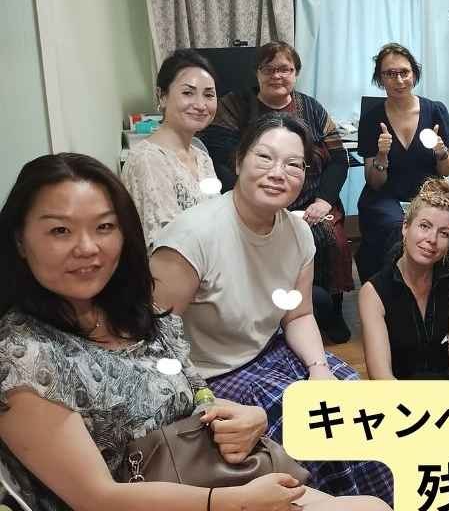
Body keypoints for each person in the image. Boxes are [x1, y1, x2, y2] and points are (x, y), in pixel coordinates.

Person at [0, 153, 389, 511]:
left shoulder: (135, 313)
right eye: (60, 231)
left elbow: (196, 389)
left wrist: (244, 418)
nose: (87, 247)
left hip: (202, 470)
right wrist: (233, 501)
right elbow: (97, 498)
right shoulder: (22, 355)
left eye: (104, 227)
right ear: (19, 239)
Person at [150, 114, 393, 504]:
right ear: (239, 161)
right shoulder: (192, 238)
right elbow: (149, 345)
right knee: (313, 433)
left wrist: (319, 369)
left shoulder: (298, 233)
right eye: (264, 157)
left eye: (293, 164)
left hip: (271, 351)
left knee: (354, 406)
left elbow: (298, 315)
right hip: (211, 378)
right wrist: (202, 401)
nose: (278, 173)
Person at [199, 40, 353, 343]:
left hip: (311, 201)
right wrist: (256, 201)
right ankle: (271, 316)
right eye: (269, 69)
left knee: (330, 238)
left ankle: (329, 311)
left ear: (296, 73)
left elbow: (339, 159)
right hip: (253, 202)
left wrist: (324, 201)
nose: (277, 75)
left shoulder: (312, 108)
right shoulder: (235, 106)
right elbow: (220, 159)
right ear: (257, 73)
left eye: (285, 69)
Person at [354, 43, 449, 283]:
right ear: (380, 79)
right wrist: (381, 156)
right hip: (386, 195)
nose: (399, 80)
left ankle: (436, 285)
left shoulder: (436, 110)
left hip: (427, 193)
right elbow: (375, 182)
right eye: (390, 74)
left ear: (414, 74)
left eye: (404, 72)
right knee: (396, 227)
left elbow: (448, 169)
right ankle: (391, 289)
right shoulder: (371, 118)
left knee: (436, 224)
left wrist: (441, 153)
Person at [359, 178, 449, 380]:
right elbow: (381, 375)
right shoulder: (373, 293)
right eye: (424, 226)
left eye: (444, 233)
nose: (432, 239)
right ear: (405, 227)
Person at [121, 49, 219, 246]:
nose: (201, 105)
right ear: (162, 96)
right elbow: (164, 243)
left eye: (209, 95)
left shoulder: (202, 158)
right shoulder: (147, 160)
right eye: (188, 93)